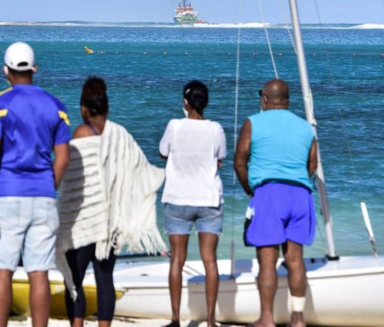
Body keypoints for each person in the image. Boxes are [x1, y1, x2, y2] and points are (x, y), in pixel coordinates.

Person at [57, 77, 165, 327]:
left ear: (84, 108)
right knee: (105, 279)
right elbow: (135, 174)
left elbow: (72, 182)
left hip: (85, 220)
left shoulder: (80, 133)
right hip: (111, 221)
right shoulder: (121, 135)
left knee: (74, 279)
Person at [0, 41, 71, 327]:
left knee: (2, 272)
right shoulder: (56, 105)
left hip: (6, 194)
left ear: (5, 70)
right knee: (39, 273)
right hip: (43, 195)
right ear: (35, 69)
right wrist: (49, 185)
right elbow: (63, 158)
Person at [233, 79, 318, 327]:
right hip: (301, 195)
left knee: (267, 261)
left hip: (269, 194)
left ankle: (267, 319)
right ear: (287, 99)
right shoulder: (305, 127)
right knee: (295, 259)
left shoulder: (254, 122)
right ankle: (298, 319)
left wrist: (250, 190)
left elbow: (240, 161)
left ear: (264, 99)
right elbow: (312, 165)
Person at [159, 80, 227, 327]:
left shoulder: (174, 126)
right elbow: (220, 158)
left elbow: (163, 152)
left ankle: (176, 319)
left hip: (178, 198)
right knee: (210, 260)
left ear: (185, 103)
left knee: (177, 259)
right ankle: (210, 321)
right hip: (208, 199)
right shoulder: (215, 128)